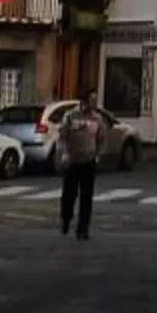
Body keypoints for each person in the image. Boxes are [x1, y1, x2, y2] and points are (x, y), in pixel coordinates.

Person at [58, 97, 105, 240]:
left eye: (95, 101)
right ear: (84, 101)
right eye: (91, 100)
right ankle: (66, 218)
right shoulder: (71, 116)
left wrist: (98, 154)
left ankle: (83, 228)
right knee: (69, 195)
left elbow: (101, 138)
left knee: (86, 197)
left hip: (89, 161)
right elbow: (63, 136)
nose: (93, 103)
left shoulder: (97, 118)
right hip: (72, 161)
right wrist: (64, 153)